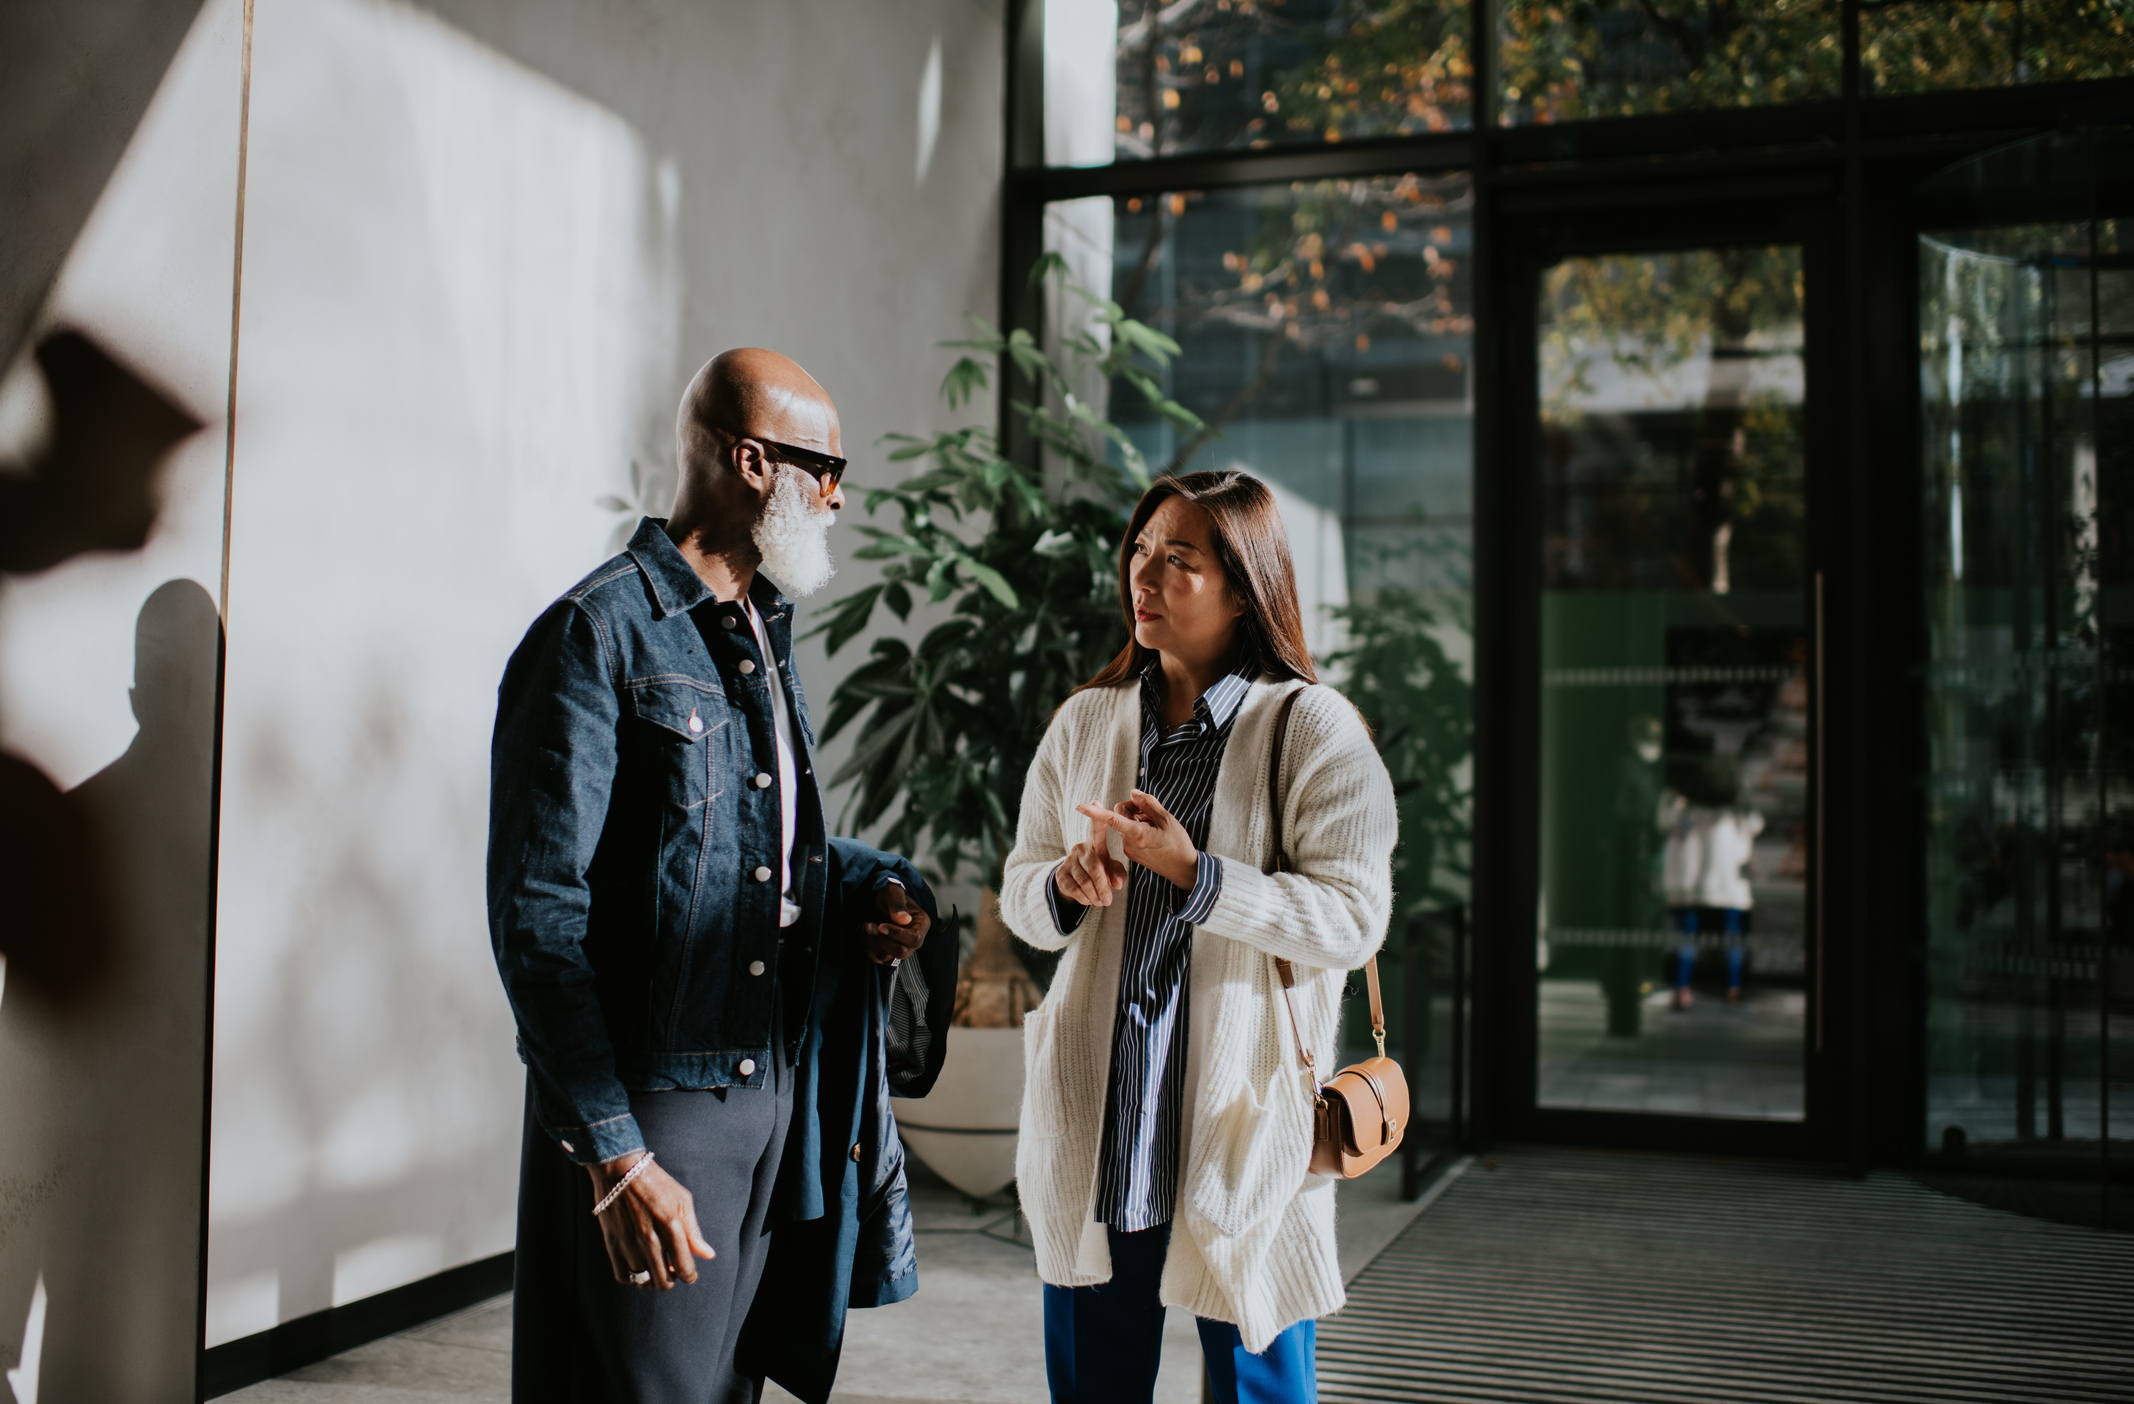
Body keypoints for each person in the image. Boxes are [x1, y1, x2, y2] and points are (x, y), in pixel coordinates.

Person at [488, 348, 956, 1404]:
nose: (839, 496)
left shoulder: (757, 631)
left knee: (726, 1392)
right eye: (827, 469)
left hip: (771, 1087)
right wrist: (615, 1153)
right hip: (662, 1104)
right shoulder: (593, 635)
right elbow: (537, 918)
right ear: (753, 462)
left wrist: (870, 893)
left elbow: (754, 857)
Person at [998, 469, 1397, 1404]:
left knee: (1260, 1385)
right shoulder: (1085, 721)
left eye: (1178, 560)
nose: (1144, 574)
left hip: (1241, 1126)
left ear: (1244, 587)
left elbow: (1352, 917)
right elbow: (1020, 895)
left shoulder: (1315, 730)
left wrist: (1196, 876)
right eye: (1140, 550)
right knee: (1094, 1383)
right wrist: (1063, 883)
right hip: (1104, 1121)